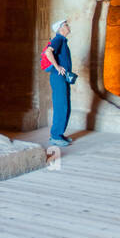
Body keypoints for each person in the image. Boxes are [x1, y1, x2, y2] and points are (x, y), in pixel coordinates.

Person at [46, 18, 74, 146]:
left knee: (65, 105)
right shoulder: (58, 39)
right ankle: (55, 136)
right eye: (66, 25)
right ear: (61, 29)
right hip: (58, 77)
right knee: (61, 106)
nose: (68, 27)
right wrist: (57, 67)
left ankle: (60, 134)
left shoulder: (62, 40)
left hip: (62, 77)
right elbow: (48, 52)